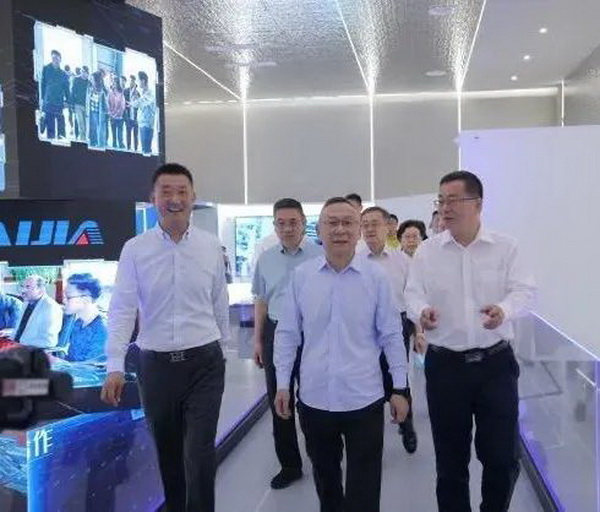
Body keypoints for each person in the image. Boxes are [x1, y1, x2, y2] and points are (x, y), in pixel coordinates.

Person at [405, 170, 536, 512]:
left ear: (477, 204)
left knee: (501, 457)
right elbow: (412, 294)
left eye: (453, 200)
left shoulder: (506, 247)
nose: (445, 208)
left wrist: (504, 311)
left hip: (495, 365)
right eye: (441, 200)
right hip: (445, 366)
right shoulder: (427, 252)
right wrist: (421, 312)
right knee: (450, 461)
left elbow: (524, 291)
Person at [101, 163, 229, 512]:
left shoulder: (210, 246)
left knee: (199, 453)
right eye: (166, 192)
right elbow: (122, 308)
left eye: (182, 191)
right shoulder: (135, 249)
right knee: (168, 454)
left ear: (193, 197)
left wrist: (224, 348)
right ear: (152, 198)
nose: (175, 199)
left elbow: (219, 299)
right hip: (155, 367)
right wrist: (114, 365)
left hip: (204, 363)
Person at [274, 197, 409, 512]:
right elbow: (288, 333)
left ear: (358, 230)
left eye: (347, 222)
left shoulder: (376, 278)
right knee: (326, 481)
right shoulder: (302, 277)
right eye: (331, 223)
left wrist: (400, 388)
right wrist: (283, 384)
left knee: (365, 485)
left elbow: (392, 335)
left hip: (365, 397)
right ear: (319, 230)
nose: (339, 230)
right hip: (315, 398)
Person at [252, 198, 322, 489]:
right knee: (279, 398)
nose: (287, 228)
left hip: (312, 333)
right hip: (276, 331)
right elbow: (261, 301)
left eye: (293, 222)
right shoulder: (266, 259)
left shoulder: (320, 254)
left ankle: (321, 455)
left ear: (304, 222)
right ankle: (290, 464)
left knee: (314, 397)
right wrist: (258, 340)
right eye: (281, 223)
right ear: (274, 225)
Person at [360, 206, 418, 453]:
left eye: (375, 224)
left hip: (397, 324)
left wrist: (419, 332)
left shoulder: (402, 261)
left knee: (398, 374)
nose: (369, 229)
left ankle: (407, 424)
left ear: (388, 227)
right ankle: (370, 438)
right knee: (368, 378)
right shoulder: (355, 260)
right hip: (364, 328)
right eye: (365, 225)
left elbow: (413, 297)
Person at [61, 273, 107, 362]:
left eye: (68, 297)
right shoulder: (78, 323)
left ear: (86, 299)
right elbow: (71, 359)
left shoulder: (103, 330)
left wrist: (57, 363)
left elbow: (91, 368)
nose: (64, 301)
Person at [8, 275, 63, 349]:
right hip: (16, 346)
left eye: (28, 287)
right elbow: (22, 330)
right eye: (22, 287)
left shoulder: (50, 307)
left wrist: (21, 344)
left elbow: (48, 341)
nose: (23, 291)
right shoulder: (26, 303)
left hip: (31, 350)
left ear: (40, 290)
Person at [40, 50, 70, 140]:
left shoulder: (63, 74)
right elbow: (42, 85)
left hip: (59, 102)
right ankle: (51, 142)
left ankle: (61, 141)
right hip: (48, 102)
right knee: (50, 125)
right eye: (53, 58)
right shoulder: (46, 69)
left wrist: (67, 101)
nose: (55, 60)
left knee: (61, 124)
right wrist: (41, 99)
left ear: (60, 59)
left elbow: (66, 89)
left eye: (57, 58)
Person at [130, 71, 156, 155]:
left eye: (138, 80)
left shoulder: (150, 92)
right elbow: (137, 102)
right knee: (144, 149)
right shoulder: (143, 92)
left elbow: (141, 102)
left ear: (143, 80)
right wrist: (133, 94)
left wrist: (132, 103)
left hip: (147, 124)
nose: (137, 82)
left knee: (146, 149)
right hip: (142, 123)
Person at [88, 71, 108, 149]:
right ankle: (93, 143)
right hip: (91, 112)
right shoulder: (90, 89)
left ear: (96, 80)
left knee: (99, 129)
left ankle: (100, 145)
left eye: (92, 79)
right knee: (92, 129)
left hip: (99, 113)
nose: (91, 80)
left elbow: (105, 104)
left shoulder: (102, 91)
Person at [71, 66, 90, 141]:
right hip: (78, 105)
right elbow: (73, 92)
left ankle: (84, 139)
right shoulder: (76, 79)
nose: (83, 73)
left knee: (86, 125)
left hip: (86, 106)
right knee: (80, 124)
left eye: (84, 72)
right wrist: (72, 105)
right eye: (82, 71)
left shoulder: (89, 82)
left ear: (87, 73)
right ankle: (82, 140)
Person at [108, 76, 126, 149]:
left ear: (118, 84)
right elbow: (108, 104)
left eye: (115, 82)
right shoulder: (110, 93)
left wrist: (116, 114)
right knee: (113, 132)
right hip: (112, 116)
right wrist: (110, 113)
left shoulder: (121, 93)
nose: (113, 84)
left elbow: (122, 106)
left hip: (119, 116)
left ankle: (121, 143)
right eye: (113, 82)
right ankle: (114, 143)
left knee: (120, 132)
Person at [124, 75, 140, 151]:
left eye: (133, 81)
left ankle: (136, 149)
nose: (131, 82)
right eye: (130, 81)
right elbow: (123, 102)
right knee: (128, 134)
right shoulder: (125, 91)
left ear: (135, 82)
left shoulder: (137, 93)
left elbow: (139, 104)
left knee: (136, 135)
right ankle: (128, 148)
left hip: (135, 117)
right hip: (128, 116)